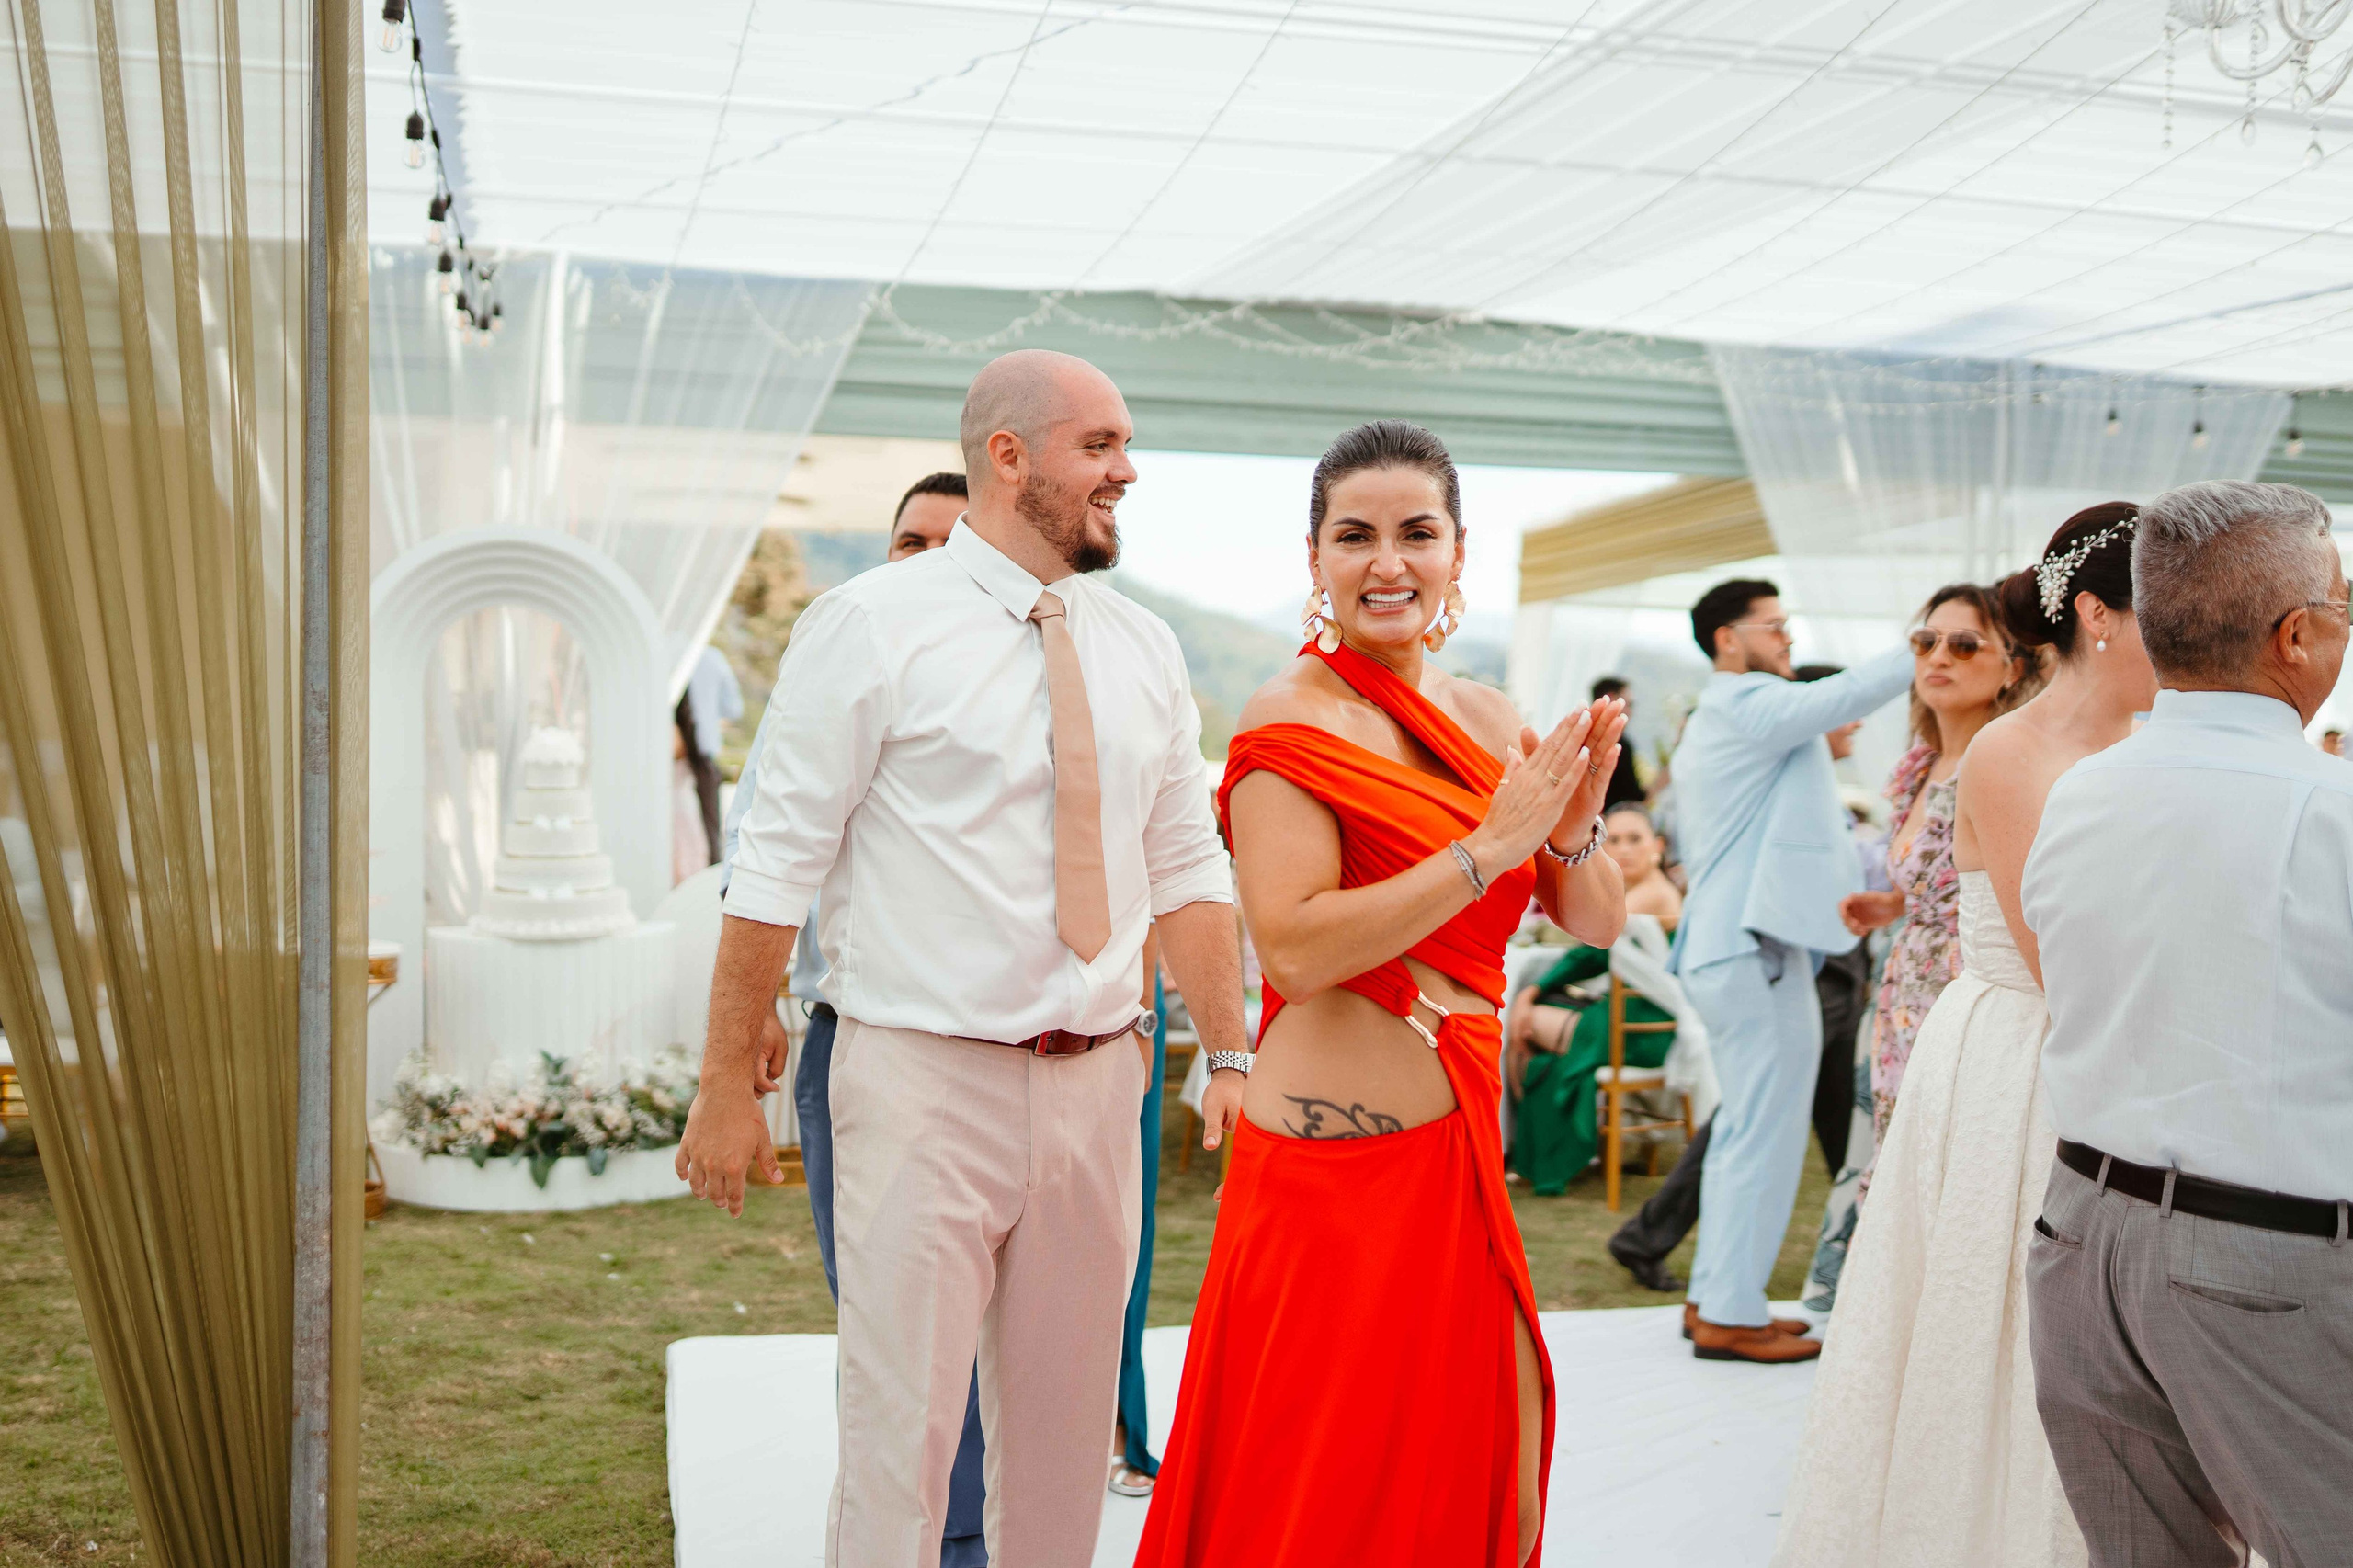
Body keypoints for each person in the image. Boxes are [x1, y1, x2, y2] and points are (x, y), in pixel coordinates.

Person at [685, 350, 1248, 1568]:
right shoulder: (867, 625)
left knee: (1060, 1454)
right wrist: (724, 1083)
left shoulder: (1143, 644)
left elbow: (1188, 862)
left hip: (1102, 1084)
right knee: (902, 1444)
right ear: (1010, 455)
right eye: (1099, 445)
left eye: (1125, 442)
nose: (1127, 470)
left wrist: (1233, 1046)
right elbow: (773, 869)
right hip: (919, 1082)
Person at [1135, 420, 1629, 1568]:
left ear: (1458, 551)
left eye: (1417, 532)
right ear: (1315, 556)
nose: (1386, 562)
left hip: (1459, 1149)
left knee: (1484, 1467)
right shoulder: (1284, 720)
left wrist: (1570, 818)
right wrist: (1485, 844)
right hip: (1330, 1172)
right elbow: (1296, 951)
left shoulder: (1494, 717)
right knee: (1311, 1491)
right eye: (1354, 535)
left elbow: (1594, 916)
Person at [1771, 503, 2154, 1568]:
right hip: (2023, 1053)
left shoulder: (2150, 740)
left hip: (2085, 1036)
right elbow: (2060, 959)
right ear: (2102, 616)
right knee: (1997, 1320)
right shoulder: (2011, 750)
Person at [2025, 481, 2353, 1568]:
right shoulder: (2327, 810)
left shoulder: (2084, 789)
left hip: (2080, 1238)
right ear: (2295, 634)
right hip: (2262, 1258)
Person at [716, 472, 972, 1558]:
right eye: (907, 539)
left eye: (947, 545)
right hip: (853, 1039)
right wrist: (759, 1006)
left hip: (1020, 1058)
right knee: (881, 1322)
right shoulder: (840, 662)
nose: (919, 561)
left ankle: (971, 1531)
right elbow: (764, 843)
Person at [1669, 580, 1911, 1361]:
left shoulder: (1738, 720)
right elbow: (1838, 696)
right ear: (1727, 641)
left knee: (1748, 1128)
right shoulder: (1743, 703)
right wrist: (1930, 644)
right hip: (1752, 949)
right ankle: (1730, 1314)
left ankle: (1719, 1297)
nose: (1787, 642)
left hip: (1735, 946)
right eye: (1774, 629)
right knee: (1765, 1134)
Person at [1606, 708, 1870, 1300]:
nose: (1855, 727)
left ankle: (1858, 1246)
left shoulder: (1808, 788)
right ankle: (1856, 1248)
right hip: (1805, 972)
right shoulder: (1781, 790)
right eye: (1845, 716)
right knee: (1780, 1120)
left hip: (1830, 976)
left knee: (1824, 1124)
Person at [1507, 802, 1679, 1195]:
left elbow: (1591, 949)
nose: (1624, 848)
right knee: (1541, 1051)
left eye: (1635, 839)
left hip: (1641, 1027)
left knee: (1525, 1022)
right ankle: (1546, 1156)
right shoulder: (1636, 892)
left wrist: (1530, 991)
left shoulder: (1650, 895)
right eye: (1613, 839)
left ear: (1657, 845)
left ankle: (1528, 1155)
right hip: (1627, 1018)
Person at [1591, 676, 1647, 808]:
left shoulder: (1581, 734)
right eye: (1629, 704)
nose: (1631, 712)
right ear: (1612, 699)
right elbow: (1632, 798)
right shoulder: (1620, 745)